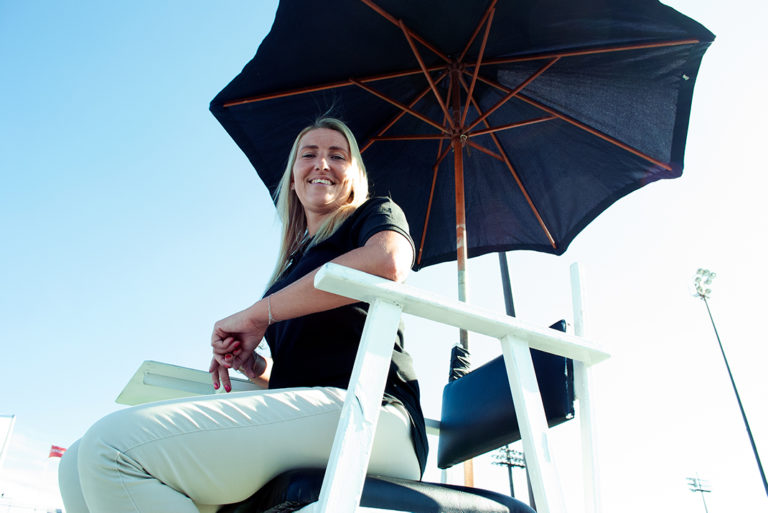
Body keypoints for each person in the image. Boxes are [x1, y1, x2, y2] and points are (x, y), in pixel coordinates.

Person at [58, 118, 428, 513]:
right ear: (291, 178)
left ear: (355, 174)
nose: (322, 163)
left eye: (337, 155)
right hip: (319, 416)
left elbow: (389, 259)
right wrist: (254, 367)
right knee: (74, 462)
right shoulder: (292, 269)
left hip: (375, 418)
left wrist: (258, 314)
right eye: (309, 155)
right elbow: (296, 380)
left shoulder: (372, 214)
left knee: (111, 448)